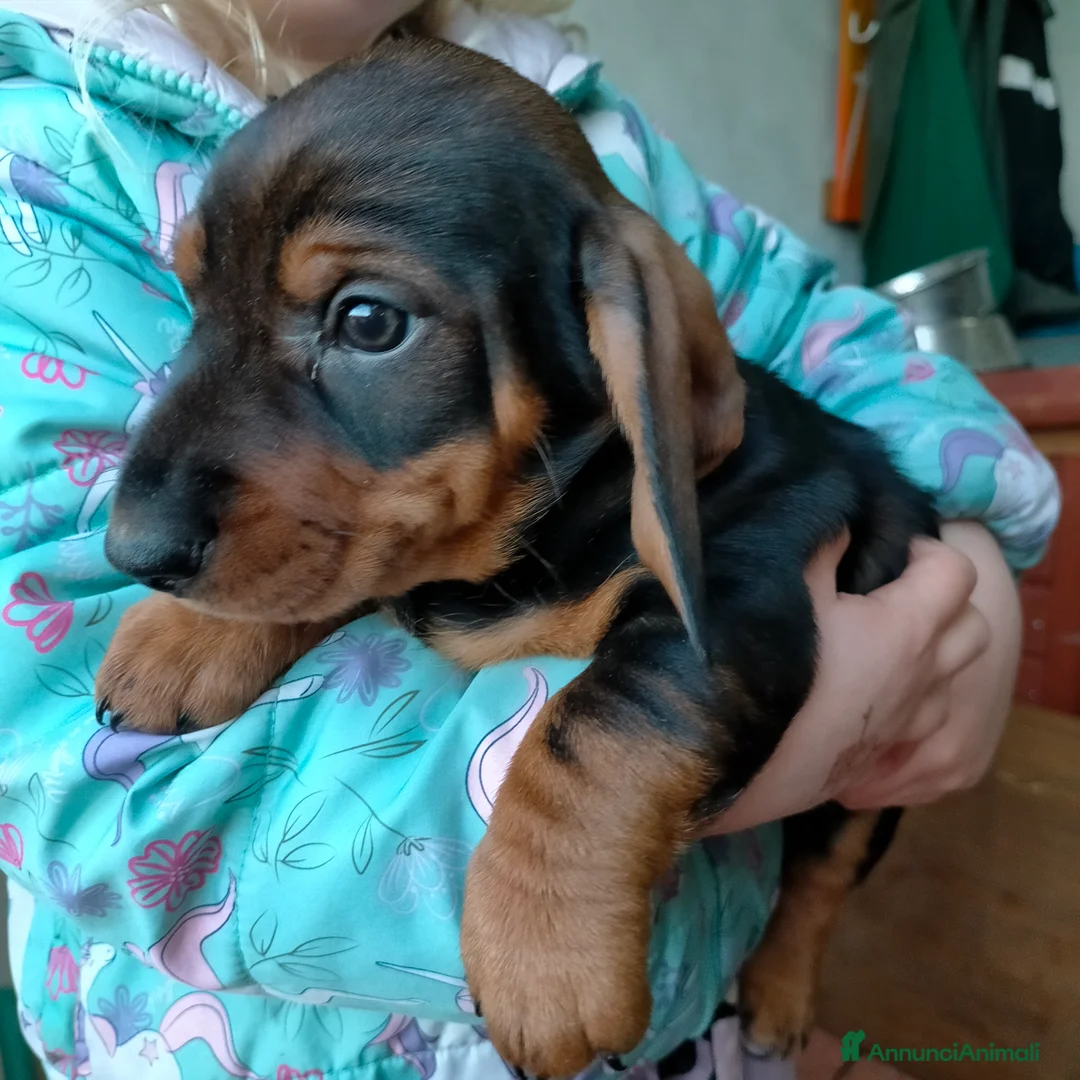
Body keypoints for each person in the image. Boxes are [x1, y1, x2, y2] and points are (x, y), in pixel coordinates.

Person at [0, 2, 1056, 1078]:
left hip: (692, 1017)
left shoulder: (600, 149)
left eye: (367, 320)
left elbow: (834, 338)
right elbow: (103, 794)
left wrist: (977, 561)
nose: (147, 527)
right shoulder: (39, 177)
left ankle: (802, 935)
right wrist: (791, 746)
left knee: (830, 886)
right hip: (256, 1050)